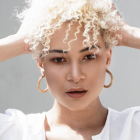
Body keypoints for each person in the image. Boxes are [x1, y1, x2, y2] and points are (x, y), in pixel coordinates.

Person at [0, 0, 140, 139]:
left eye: (89, 56)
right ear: (41, 64)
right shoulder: (15, 132)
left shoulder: (133, 128)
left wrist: (128, 33)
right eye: (59, 59)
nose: (75, 76)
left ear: (107, 59)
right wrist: (21, 42)